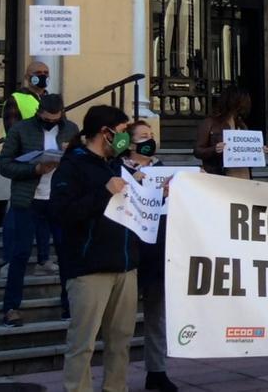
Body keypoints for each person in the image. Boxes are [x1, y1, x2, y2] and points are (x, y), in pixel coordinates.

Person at [50, 105, 139, 392]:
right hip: (89, 269)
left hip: (125, 266)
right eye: (124, 132)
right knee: (83, 343)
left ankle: (116, 387)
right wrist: (104, 192)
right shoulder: (72, 165)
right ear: (106, 132)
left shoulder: (117, 164)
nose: (127, 140)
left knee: (121, 341)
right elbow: (63, 213)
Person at [0, 93, 77, 327]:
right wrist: (35, 169)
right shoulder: (21, 129)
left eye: (56, 117)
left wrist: (69, 155)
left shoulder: (71, 129)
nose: (51, 121)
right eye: (47, 117)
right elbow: (4, 164)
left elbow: (81, 162)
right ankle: (11, 307)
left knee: (66, 254)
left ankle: (68, 305)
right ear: (39, 112)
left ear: (62, 113)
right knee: (20, 254)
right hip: (29, 200)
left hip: (59, 200)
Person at [120, 121, 177, 392]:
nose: (149, 140)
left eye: (151, 135)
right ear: (130, 142)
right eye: (143, 136)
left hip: (158, 252)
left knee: (157, 315)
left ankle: (157, 370)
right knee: (122, 319)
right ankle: (116, 375)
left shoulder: (163, 169)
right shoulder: (118, 169)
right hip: (129, 251)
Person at [193, 85, 255, 178]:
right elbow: (197, 151)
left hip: (243, 174)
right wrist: (214, 149)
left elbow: (246, 151)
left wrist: (257, 150)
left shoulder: (241, 124)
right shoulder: (210, 122)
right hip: (220, 175)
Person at [2, 61, 51, 131]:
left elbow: (63, 129)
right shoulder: (15, 99)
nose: (43, 75)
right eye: (38, 73)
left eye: (46, 73)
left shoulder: (53, 100)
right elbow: (12, 131)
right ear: (26, 77)